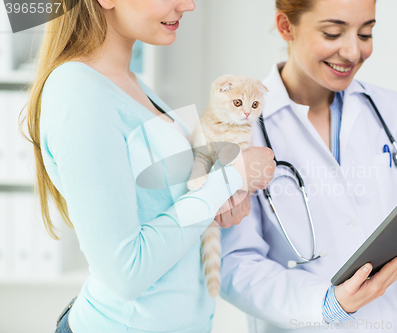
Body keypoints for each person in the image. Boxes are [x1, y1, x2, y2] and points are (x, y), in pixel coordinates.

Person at [23, 0, 275, 332]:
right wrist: (229, 179)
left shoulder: (130, 82)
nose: (188, 5)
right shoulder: (78, 92)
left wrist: (221, 200)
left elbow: (165, 208)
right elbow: (125, 273)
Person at [219, 0, 397, 332]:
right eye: (333, 32)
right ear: (285, 26)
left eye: (365, 33)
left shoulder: (395, 112)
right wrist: (327, 303)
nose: (353, 52)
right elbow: (234, 264)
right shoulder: (240, 132)